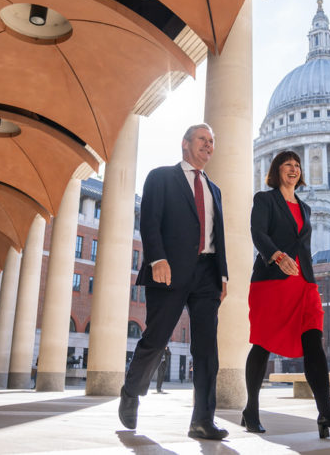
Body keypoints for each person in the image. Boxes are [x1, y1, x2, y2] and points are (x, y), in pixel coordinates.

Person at [118, 124, 229, 441]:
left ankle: (202, 420)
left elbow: (216, 236)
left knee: (207, 349)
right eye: (202, 140)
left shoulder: (215, 189)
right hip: (168, 269)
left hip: (207, 274)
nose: (209, 145)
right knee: (156, 337)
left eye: (212, 141)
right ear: (185, 144)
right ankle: (131, 391)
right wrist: (157, 259)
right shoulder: (160, 176)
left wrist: (223, 275)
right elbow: (150, 219)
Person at [242, 151, 330, 438]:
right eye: (287, 165)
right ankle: (251, 410)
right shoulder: (264, 200)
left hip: (304, 282)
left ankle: (326, 412)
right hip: (271, 281)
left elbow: (303, 247)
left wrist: (309, 276)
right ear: (276, 170)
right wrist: (278, 256)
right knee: (262, 343)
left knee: (314, 343)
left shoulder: (306, 209)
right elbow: (258, 233)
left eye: (297, 166)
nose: (293, 170)